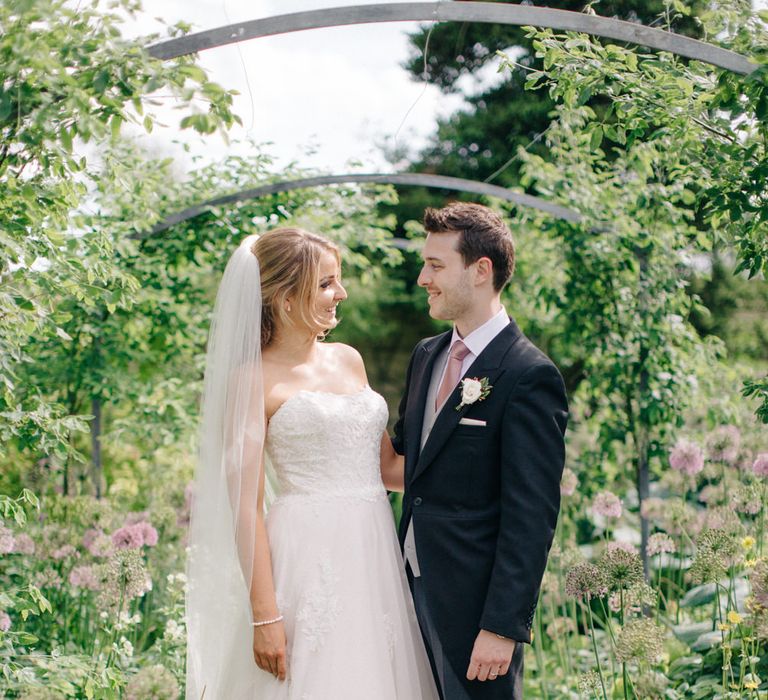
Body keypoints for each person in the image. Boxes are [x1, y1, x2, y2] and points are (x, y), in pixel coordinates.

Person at [185, 228, 438, 699]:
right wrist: (265, 613)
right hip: (305, 562)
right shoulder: (252, 379)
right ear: (284, 298)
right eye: (326, 283)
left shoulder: (349, 360)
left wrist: (473, 445)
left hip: (373, 557)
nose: (340, 293)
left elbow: (387, 469)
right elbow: (245, 506)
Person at [387, 203, 569, 699]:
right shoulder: (427, 355)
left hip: (476, 613)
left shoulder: (529, 375)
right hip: (408, 588)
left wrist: (503, 627)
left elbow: (532, 515)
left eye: (436, 265)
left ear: (481, 269)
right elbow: (411, 464)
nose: (423, 277)